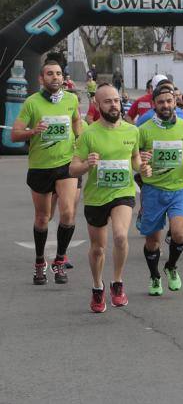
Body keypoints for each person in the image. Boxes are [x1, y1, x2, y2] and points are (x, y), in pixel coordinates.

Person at [70, 83, 145, 313]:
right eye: (107, 101)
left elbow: (134, 159)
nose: (114, 105)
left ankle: (117, 283)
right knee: (98, 249)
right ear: (97, 104)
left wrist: (143, 167)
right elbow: (73, 169)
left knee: (121, 236)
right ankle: (97, 286)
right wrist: (86, 165)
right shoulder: (88, 134)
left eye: (116, 100)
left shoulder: (132, 131)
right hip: (96, 197)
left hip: (122, 192)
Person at [11, 58, 82, 285]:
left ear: (63, 77)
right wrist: (33, 131)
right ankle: (40, 261)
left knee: (68, 213)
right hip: (41, 167)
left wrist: (79, 142)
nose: (55, 77)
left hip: (66, 165)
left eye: (59, 74)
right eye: (50, 74)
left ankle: (59, 261)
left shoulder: (71, 99)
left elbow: (77, 121)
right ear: (42, 79)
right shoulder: (32, 103)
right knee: (43, 218)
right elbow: (14, 135)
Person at [136, 82, 183, 295]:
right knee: (153, 241)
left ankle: (171, 266)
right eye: (161, 102)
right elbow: (133, 157)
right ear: (154, 104)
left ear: (176, 102)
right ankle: (154, 276)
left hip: (179, 189)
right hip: (153, 190)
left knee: (179, 234)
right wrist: (141, 164)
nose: (166, 105)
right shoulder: (143, 130)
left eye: (169, 101)